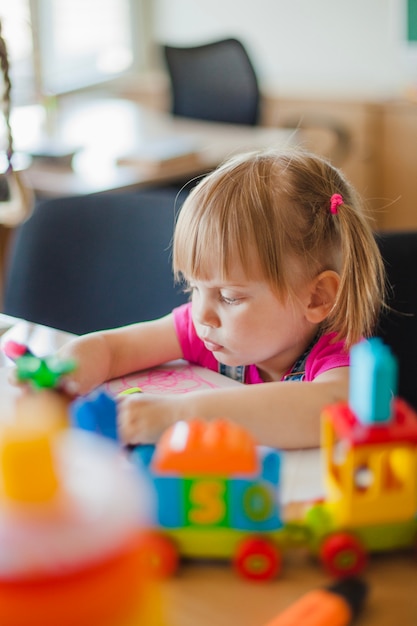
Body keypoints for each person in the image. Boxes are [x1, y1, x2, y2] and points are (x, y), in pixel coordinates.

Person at [57, 148, 385, 449]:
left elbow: (332, 410)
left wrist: (177, 416)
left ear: (316, 298)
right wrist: (59, 379)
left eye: (228, 297)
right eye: (194, 288)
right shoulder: (207, 328)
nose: (202, 315)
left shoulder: (341, 355)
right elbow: (112, 350)